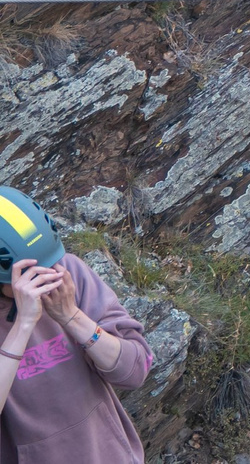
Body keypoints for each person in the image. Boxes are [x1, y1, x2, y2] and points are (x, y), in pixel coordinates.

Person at [0, 186, 152, 464]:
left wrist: (71, 316)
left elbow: (134, 371)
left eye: (50, 263)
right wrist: (23, 325)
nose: (47, 277)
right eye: (28, 274)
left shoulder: (67, 272)